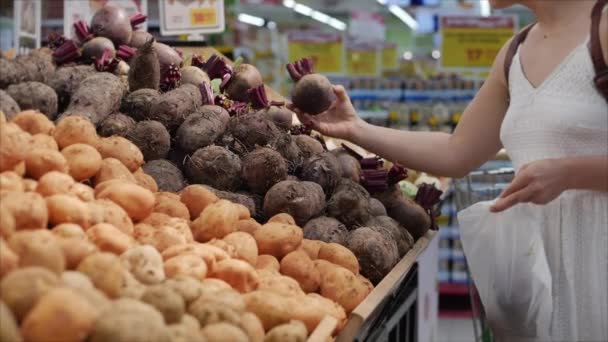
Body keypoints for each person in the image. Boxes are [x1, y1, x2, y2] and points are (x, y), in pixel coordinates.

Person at [290, 0, 608, 341]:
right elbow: (457, 152)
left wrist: (569, 172)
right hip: (542, 268)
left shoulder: (601, 30)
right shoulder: (515, 53)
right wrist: (357, 128)